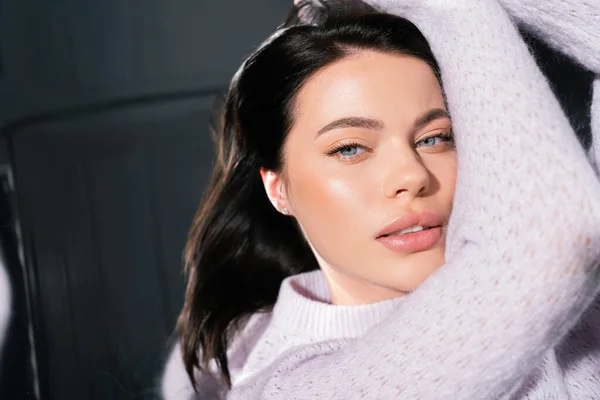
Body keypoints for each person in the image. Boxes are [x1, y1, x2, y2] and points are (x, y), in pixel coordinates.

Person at [162, 0, 600, 398]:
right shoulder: (286, 386)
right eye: (350, 148)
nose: (411, 176)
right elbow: (557, 238)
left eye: (435, 138)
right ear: (278, 188)